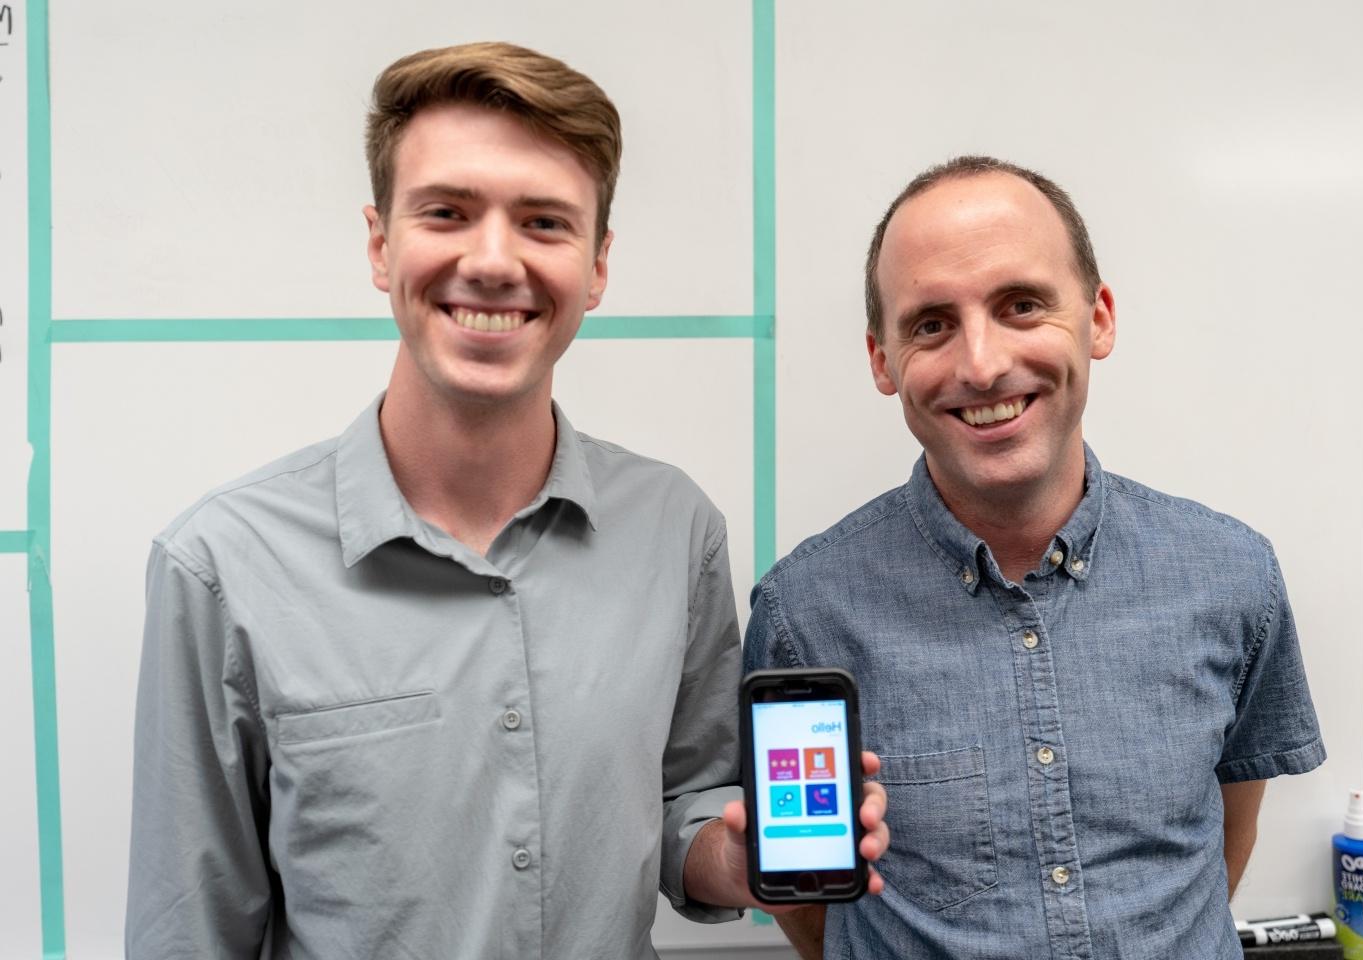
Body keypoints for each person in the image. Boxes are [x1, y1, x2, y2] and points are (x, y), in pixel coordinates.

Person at [125, 41, 886, 959]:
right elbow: (189, 930)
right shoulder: (219, 568)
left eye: (544, 223)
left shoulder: (676, 531)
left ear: (598, 264)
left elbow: (687, 815)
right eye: (446, 212)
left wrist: (736, 854)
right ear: (380, 243)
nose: (492, 262)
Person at [744, 156, 1325, 960]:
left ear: (1099, 319)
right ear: (883, 360)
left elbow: (1227, 831)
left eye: (1021, 305)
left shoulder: (1232, 577)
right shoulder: (803, 615)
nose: (981, 364)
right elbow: (812, 908)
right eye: (931, 324)